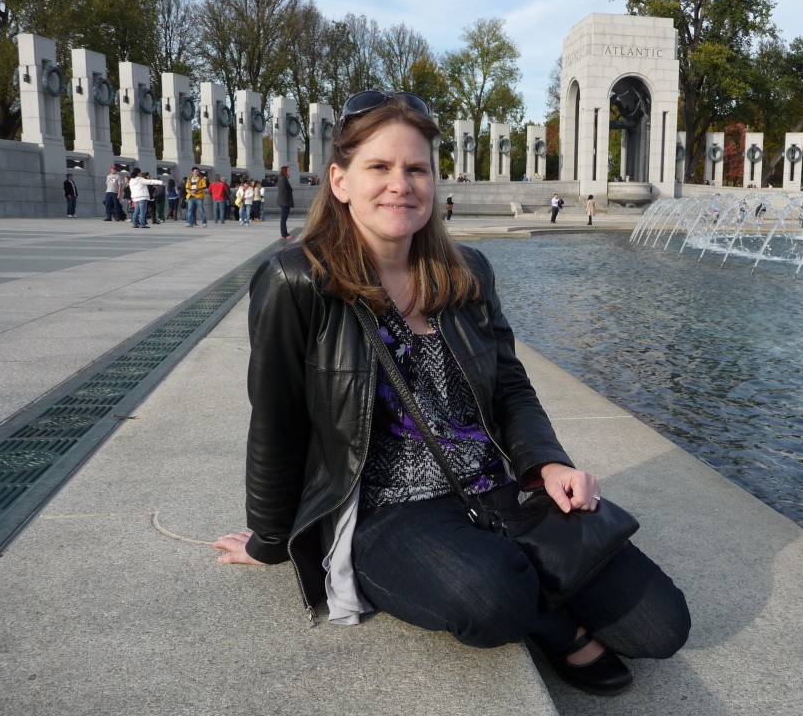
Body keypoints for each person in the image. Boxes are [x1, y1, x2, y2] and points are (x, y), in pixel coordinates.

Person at [213, 90, 690, 696]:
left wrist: (548, 463)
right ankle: (549, 621)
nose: (400, 185)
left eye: (416, 169)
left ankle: (524, 578)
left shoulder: (467, 272)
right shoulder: (297, 280)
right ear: (340, 181)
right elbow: (275, 421)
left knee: (662, 629)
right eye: (379, 168)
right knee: (491, 599)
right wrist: (270, 539)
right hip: (386, 511)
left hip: (494, 486)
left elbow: (511, 387)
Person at [278, 164, 294, 240]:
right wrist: (288, 202)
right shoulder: (283, 179)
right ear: (285, 171)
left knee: (284, 218)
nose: (290, 172)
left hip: (284, 202)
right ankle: (284, 234)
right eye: (289, 170)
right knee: (283, 219)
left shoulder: (283, 179)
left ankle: (284, 233)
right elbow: (284, 192)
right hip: (285, 202)